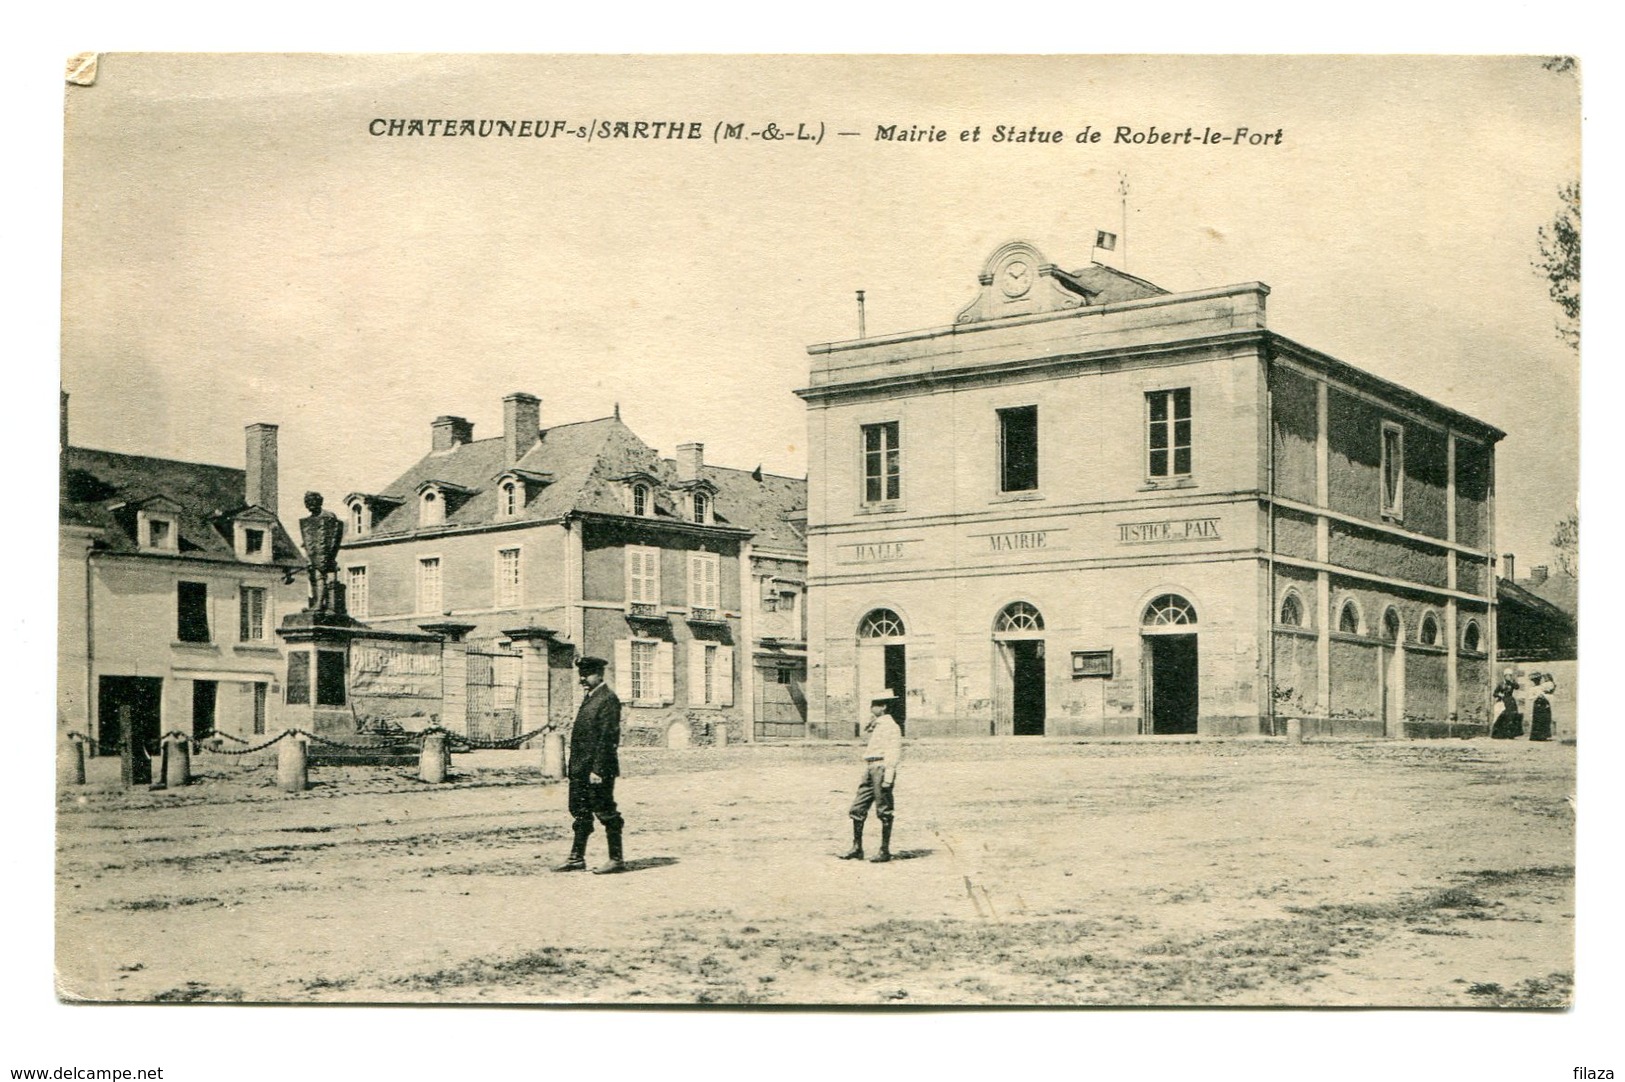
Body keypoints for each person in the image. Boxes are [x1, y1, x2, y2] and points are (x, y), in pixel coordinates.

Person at [553, 656, 626, 874]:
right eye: (580, 675)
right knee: (580, 811)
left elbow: (607, 738)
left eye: (587, 675)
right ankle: (576, 858)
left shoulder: (608, 699)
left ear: (600, 674)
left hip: (596, 770)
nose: (582, 679)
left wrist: (598, 770)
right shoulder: (590, 698)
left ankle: (616, 859)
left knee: (605, 811)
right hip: (581, 768)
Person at [840, 690, 903, 863]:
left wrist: (888, 778)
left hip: (882, 767)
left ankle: (884, 850)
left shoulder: (891, 727)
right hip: (870, 767)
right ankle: (857, 848)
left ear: (883, 707)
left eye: (875, 704)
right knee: (857, 807)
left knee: (884, 810)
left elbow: (893, 752)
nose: (871, 707)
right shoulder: (878, 724)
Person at [298, 491, 346, 614]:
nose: (309, 504)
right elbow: (309, 540)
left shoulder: (328, 517)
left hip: (327, 556)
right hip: (314, 555)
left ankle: (322, 604)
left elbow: (334, 536)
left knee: (323, 578)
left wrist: (328, 555)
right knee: (313, 577)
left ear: (319, 502)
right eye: (307, 502)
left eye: (312, 501)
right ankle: (316, 603)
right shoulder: (308, 521)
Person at [1491, 669, 1523, 739]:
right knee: (1503, 716)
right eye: (1507, 676)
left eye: (1510, 676)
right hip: (1503, 701)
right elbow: (1494, 693)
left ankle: (1511, 734)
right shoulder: (1501, 684)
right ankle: (1501, 734)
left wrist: (1513, 681)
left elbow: (1517, 687)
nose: (1509, 677)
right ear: (1504, 676)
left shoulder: (1511, 683)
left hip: (1510, 701)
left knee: (1511, 717)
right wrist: (1500, 695)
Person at [1528, 672, 1556, 742]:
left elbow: (1549, 692)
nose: (1537, 682)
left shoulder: (1542, 686)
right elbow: (1530, 697)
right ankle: (1536, 736)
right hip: (1537, 704)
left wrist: (1544, 695)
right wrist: (1537, 696)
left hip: (1544, 703)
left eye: (1538, 680)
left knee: (1545, 719)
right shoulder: (1532, 689)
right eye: (1535, 680)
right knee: (1537, 719)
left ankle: (1544, 735)